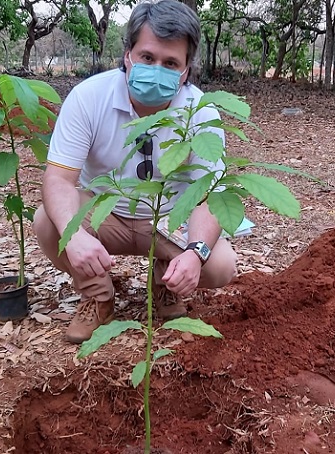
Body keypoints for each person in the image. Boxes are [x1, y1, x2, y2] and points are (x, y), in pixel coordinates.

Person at [33, 0, 237, 344]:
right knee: (48, 224)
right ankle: (98, 297)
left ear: (186, 70)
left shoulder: (201, 112)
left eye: (171, 63)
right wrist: (77, 235)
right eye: (147, 57)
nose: (157, 68)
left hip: (169, 217)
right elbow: (59, 179)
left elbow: (208, 192)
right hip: (106, 209)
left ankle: (165, 285)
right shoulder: (89, 98)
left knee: (220, 264)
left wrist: (195, 252)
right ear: (127, 54)